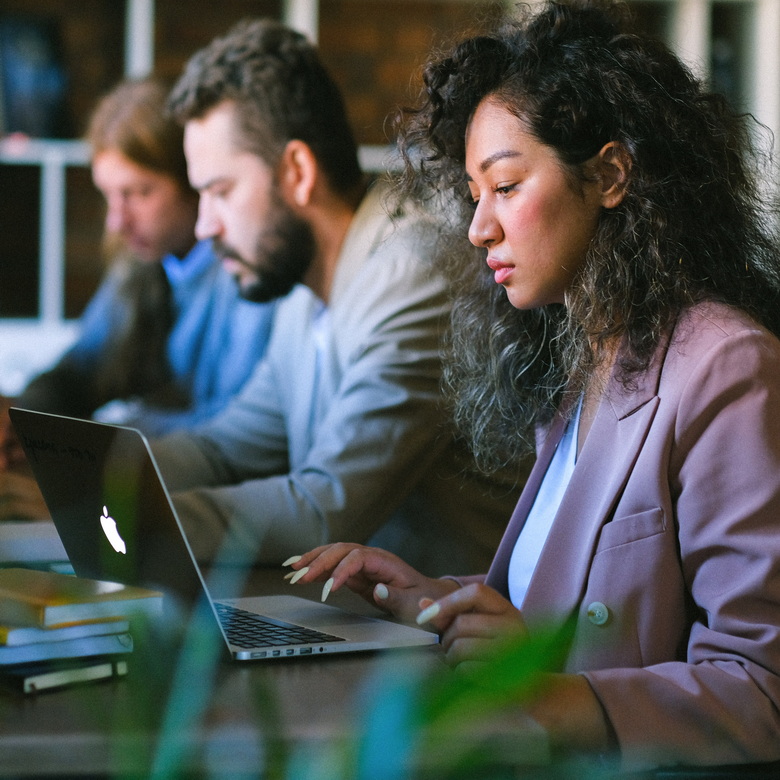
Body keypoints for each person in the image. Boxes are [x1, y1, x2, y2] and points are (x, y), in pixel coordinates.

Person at [284, 0, 780, 771]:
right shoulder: (586, 358)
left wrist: (546, 690)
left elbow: (761, 692)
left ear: (611, 174)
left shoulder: (726, 367)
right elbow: (571, 599)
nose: (478, 227)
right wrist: (439, 603)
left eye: (506, 187)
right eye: (474, 194)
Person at [146, 18, 519, 578]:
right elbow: (226, 448)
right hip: (368, 630)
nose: (204, 226)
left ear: (297, 172)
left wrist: (130, 516)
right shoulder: (304, 292)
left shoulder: (415, 272)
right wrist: (91, 469)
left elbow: (328, 506)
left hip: (463, 652)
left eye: (219, 192)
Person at [0, 77, 276, 519]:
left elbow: (236, 431)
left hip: (225, 511)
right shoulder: (144, 262)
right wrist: (23, 419)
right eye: (109, 195)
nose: (116, 221)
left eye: (138, 194)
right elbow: (80, 371)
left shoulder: (248, 271)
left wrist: (101, 439)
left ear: (194, 180)